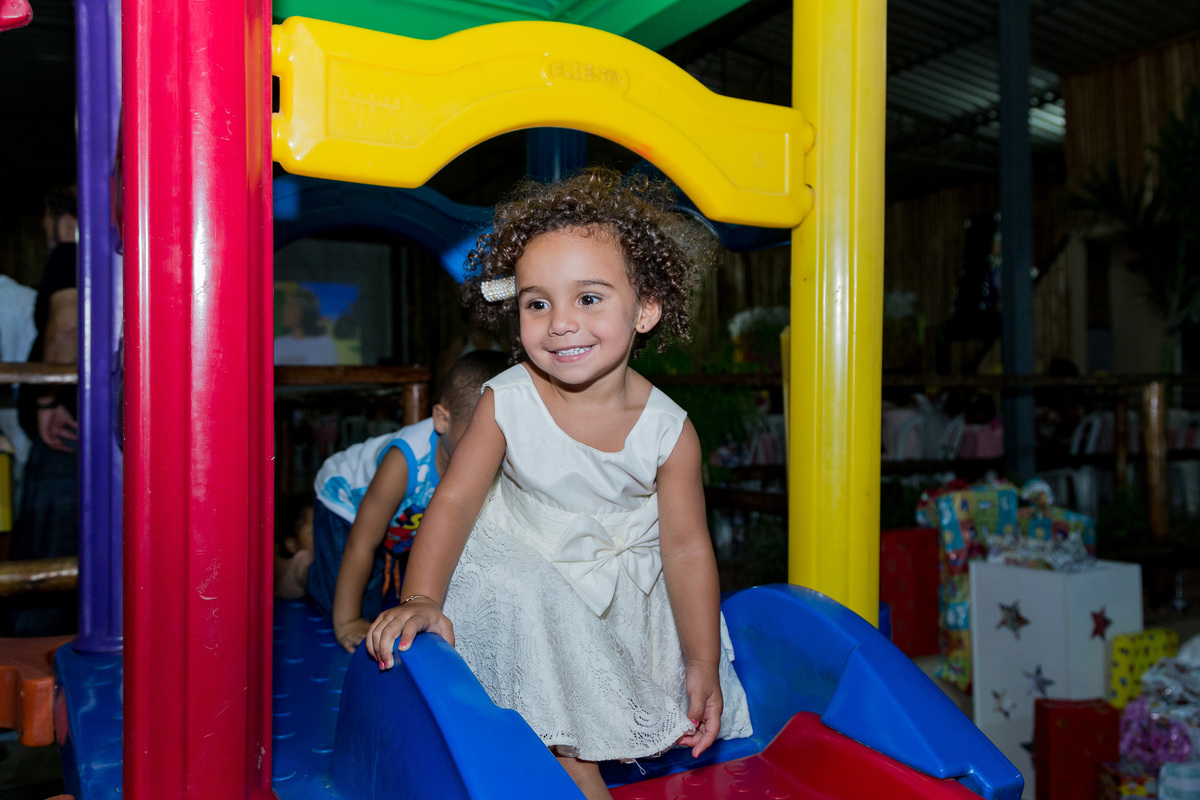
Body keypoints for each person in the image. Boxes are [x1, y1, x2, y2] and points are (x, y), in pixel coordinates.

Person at [365, 169, 753, 799]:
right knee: (559, 732)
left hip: (619, 592)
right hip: (521, 580)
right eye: (537, 303)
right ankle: (572, 768)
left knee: (592, 720)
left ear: (646, 309)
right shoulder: (507, 401)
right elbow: (456, 500)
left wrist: (701, 660)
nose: (560, 323)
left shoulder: (669, 432)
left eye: (589, 298)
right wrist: (421, 597)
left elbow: (685, 549)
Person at [277, 350, 507, 652]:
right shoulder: (404, 460)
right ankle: (301, 570)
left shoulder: (488, 463)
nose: (489, 451)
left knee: (382, 604)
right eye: (476, 436)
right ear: (442, 419)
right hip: (346, 501)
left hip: (398, 523)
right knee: (348, 601)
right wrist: (347, 621)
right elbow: (362, 541)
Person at [7, 185, 79, 636]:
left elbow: (67, 326)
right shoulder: (113, 261)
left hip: (65, 434)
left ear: (58, 218)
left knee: (45, 555)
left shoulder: (70, 255)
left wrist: (49, 399)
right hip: (88, 433)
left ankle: (33, 658)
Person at [274, 286, 340, 365]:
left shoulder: (324, 344)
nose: (284, 311)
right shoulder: (277, 344)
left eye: (291, 307)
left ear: (306, 311)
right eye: (285, 306)